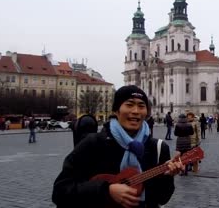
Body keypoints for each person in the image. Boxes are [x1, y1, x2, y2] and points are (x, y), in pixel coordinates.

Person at [52, 85, 184, 208]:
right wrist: (106, 190)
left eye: (141, 106)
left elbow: (162, 198)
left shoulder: (158, 148)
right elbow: (60, 192)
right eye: (129, 105)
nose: (136, 111)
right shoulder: (93, 144)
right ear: (116, 110)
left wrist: (167, 176)